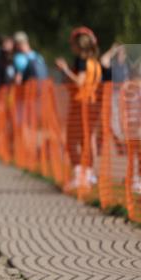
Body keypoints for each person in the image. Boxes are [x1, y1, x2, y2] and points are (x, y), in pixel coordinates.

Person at [55, 27, 103, 190]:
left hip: (81, 105)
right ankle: (88, 175)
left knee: (72, 141)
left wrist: (65, 69)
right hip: (93, 104)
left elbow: (79, 82)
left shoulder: (81, 62)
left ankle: (79, 175)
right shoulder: (95, 63)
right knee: (87, 141)